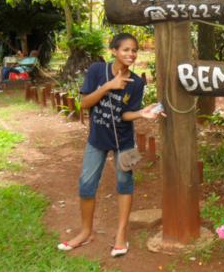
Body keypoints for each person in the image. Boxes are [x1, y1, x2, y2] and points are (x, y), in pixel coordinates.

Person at [57, 33, 163, 257]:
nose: (131, 54)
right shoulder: (97, 70)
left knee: (125, 183)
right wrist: (109, 86)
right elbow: (85, 103)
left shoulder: (136, 83)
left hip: (125, 142)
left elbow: (125, 115)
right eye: (126, 49)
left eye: (134, 50)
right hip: (97, 139)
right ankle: (86, 232)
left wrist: (142, 114)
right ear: (114, 50)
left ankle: (121, 234)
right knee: (86, 185)